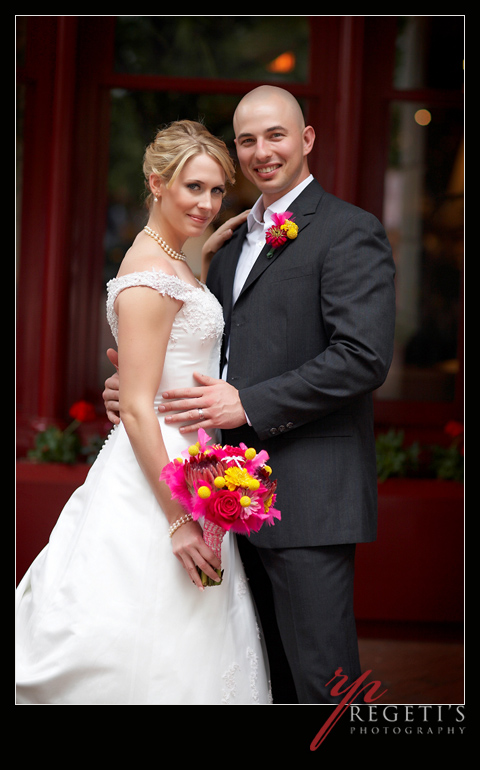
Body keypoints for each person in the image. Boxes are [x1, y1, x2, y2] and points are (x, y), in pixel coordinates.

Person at [103, 86, 397, 704]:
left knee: (324, 686)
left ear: (307, 139)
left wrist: (250, 404)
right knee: (261, 682)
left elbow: (362, 357)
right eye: (247, 140)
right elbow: (207, 346)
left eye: (276, 135)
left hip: (309, 498)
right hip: (227, 498)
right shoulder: (228, 242)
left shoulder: (349, 231)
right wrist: (143, 387)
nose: (262, 152)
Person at [16, 120, 272, 705]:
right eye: (192, 188)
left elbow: (176, 352)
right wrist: (179, 521)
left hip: (195, 458)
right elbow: (134, 407)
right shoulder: (147, 276)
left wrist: (205, 262)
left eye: (215, 191)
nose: (206, 204)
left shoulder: (175, 262)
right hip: (159, 476)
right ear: (157, 183)